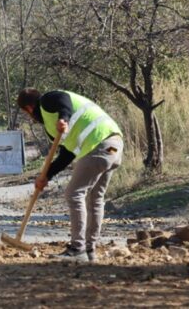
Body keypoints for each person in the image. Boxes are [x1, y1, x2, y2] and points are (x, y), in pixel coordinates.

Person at [17, 88, 123, 262]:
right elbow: (67, 154)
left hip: (98, 145)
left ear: (28, 109)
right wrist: (46, 175)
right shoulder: (52, 128)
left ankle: (77, 249)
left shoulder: (47, 100)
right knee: (95, 197)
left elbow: (63, 100)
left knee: (74, 194)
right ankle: (89, 251)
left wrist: (63, 118)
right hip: (113, 146)